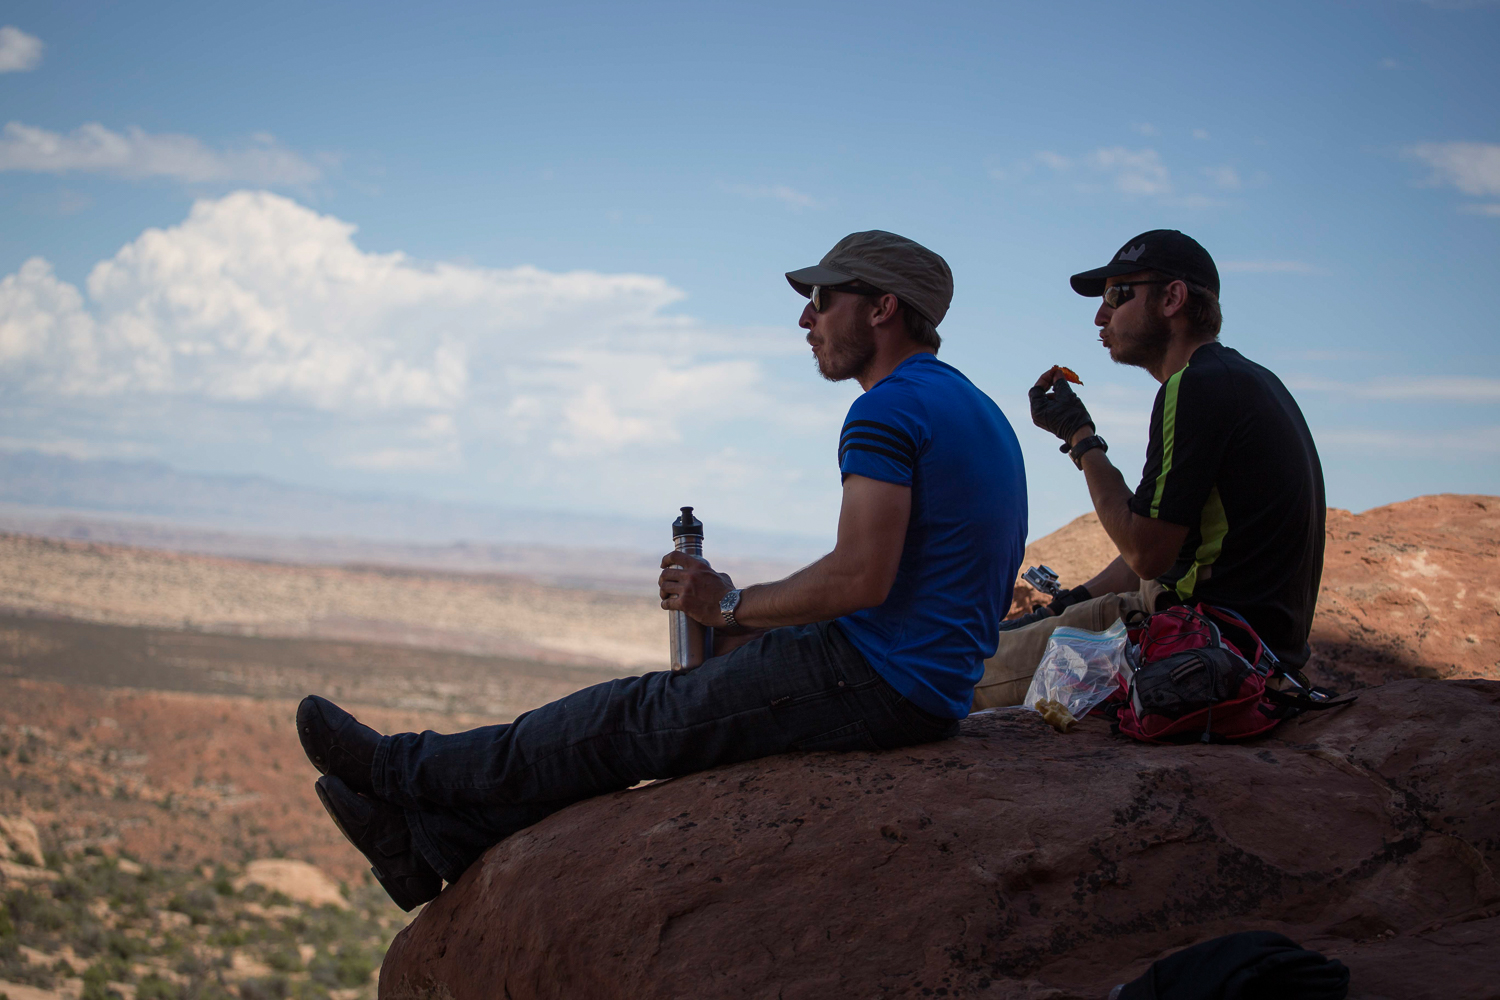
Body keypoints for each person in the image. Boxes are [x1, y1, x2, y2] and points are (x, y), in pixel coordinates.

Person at [298, 231, 1028, 910]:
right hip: (921, 677)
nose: (805, 320)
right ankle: (428, 848)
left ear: (882, 309)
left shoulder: (888, 411)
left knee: (633, 719)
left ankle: (396, 771)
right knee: (664, 712)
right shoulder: (973, 406)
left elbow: (861, 577)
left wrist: (731, 603)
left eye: (821, 300)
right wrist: (751, 628)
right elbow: (915, 581)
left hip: (883, 682)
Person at [972, 230, 1325, 709]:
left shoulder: (1194, 386)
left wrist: (1080, 438)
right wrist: (1065, 603)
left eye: (1117, 295)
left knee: (958, 671)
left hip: (1196, 646)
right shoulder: (1249, 379)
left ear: (1173, 298)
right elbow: (1167, 545)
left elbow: (1146, 552)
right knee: (1011, 635)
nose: (1100, 315)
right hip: (1253, 647)